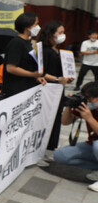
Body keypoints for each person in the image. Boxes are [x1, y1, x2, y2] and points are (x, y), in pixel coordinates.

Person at [36, 21, 74, 163]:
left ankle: (50, 149)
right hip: (48, 89)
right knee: (45, 119)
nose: (62, 35)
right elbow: (41, 73)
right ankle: (40, 150)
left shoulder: (59, 51)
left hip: (58, 89)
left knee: (55, 119)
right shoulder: (44, 51)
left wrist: (66, 79)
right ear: (51, 33)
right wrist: (58, 79)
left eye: (63, 32)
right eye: (60, 32)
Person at [54, 82, 98, 187]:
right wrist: (69, 105)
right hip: (91, 145)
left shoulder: (89, 112)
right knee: (60, 155)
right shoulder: (87, 107)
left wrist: (90, 119)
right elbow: (65, 122)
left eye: (90, 98)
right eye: (85, 97)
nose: (87, 101)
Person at [2, 12, 47, 97]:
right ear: (27, 27)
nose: (38, 27)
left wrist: (36, 78)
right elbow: (11, 68)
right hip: (16, 91)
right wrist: (33, 74)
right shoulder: (17, 43)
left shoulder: (27, 43)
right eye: (36, 24)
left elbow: (25, 66)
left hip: (26, 88)